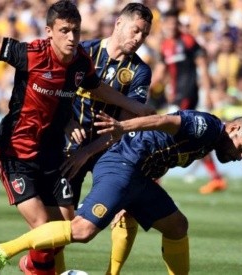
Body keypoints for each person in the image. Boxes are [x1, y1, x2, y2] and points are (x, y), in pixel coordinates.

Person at [0, 0, 155, 273]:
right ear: (49, 31)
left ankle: (30, 264)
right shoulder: (31, 53)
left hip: (53, 152)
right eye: (65, 31)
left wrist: (138, 109)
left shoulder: (82, 61)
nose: (72, 38)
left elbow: (97, 89)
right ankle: (28, 263)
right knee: (43, 228)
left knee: (67, 227)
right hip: (16, 151)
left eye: (76, 31)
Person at [0, 109, 242, 275]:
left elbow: (164, 153)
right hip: (122, 164)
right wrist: (121, 127)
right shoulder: (208, 128)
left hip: (140, 177)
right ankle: (2, 250)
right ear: (235, 128)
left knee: (177, 225)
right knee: (82, 230)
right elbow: (165, 120)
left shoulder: (209, 142)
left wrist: (135, 199)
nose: (240, 156)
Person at [57, 3, 153, 275]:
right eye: (136, 30)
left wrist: (88, 152)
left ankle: (113, 273)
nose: (139, 39)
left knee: (128, 206)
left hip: (107, 149)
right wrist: (67, 121)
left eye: (144, 35)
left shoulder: (140, 72)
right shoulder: (83, 52)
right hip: (69, 143)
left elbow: (123, 124)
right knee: (61, 220)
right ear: (118, 24)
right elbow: (55, 94)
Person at [151, 8, 228, 195]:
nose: (171, 26)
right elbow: (161, 71)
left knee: (168, 133)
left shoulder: (188, 41)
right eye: (167, 23)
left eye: (173, 23)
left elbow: (203, 67)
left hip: (188, 94)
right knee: (192, 137)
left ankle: (155, 178)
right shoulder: (165, 45)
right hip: (176, 95)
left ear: (178, 24)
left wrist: (208, 93)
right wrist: (147, 88)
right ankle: (216, 177)